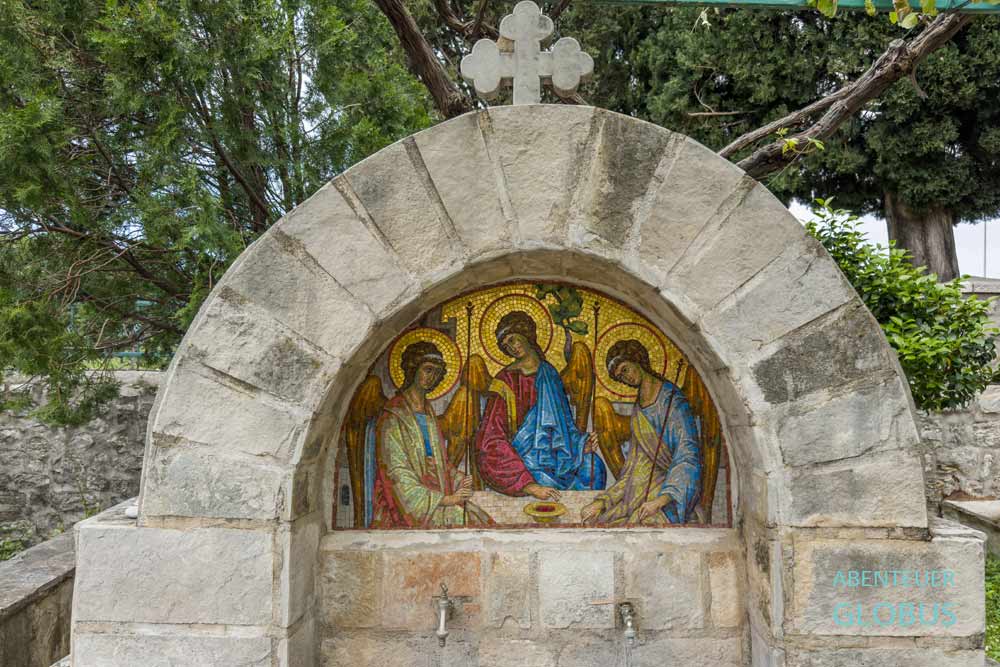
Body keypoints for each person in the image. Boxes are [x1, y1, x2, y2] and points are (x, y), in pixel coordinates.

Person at [475, 310, 606, 498]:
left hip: (556, 457)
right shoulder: (505, 381)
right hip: (523, 460)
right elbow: (490, 438)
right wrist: (528, 485)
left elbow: (564, 425)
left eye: (512, 339)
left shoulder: (549, 373)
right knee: (545, 481)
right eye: (506, 346)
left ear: (525, 334)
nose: (511, 348)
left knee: (594, 467)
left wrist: (580, 444)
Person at [370, 341, 492, 528]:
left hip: (437, 496)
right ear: (413, 369)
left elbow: (437, 461)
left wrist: (459, 478)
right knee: (467, 519)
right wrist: (446, 500)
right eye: (428, 370)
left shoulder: (428, 413)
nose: (432, 377)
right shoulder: (393, 416)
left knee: (479, 516)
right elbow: (396, 474)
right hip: (406, 508)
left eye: (437, 372)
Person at [581, 339, 701, 526]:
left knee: (637, 524)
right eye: (620, 376)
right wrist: (602, 503)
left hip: (670, 495)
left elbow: (688, 457)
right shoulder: (639, 409)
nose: (625, 378)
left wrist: (660, 501)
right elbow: (633, 469)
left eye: (625, 369)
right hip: (641, 490)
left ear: (637, 360)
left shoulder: (672, 402)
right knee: (598, 521)